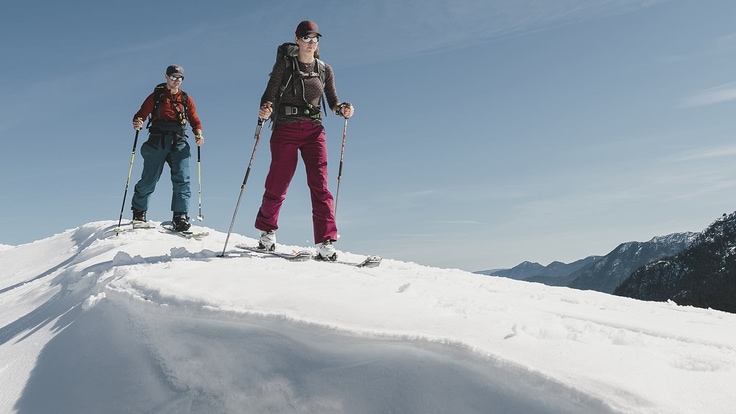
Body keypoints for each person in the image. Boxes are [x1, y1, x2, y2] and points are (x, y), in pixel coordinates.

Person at [255, 21, 354, 261]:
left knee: (320, 185)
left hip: (314, 131)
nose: (311, 43)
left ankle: (325, 241)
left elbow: (332, 100)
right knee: (278, 183)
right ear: (297, 39)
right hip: (285, 130)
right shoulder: (285, 65)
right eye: (307, 38)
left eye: (315, 38)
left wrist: (342, 109)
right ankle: (267, 232)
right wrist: (265, 108)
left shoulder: (324, 69)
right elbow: (270, 91)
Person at [131, 64, 204, 231]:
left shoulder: (185, 98)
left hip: (179, 141)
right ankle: (139, 212)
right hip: (157, 141)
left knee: (182, 179)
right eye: (173, 77)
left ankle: (180, 216)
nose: (176, 81)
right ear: (166, 77)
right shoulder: (156, 96)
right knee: (149, 178)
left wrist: (198, 135)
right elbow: (140, 114)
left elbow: (195, 120)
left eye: (179, 78)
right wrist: (138, 122)